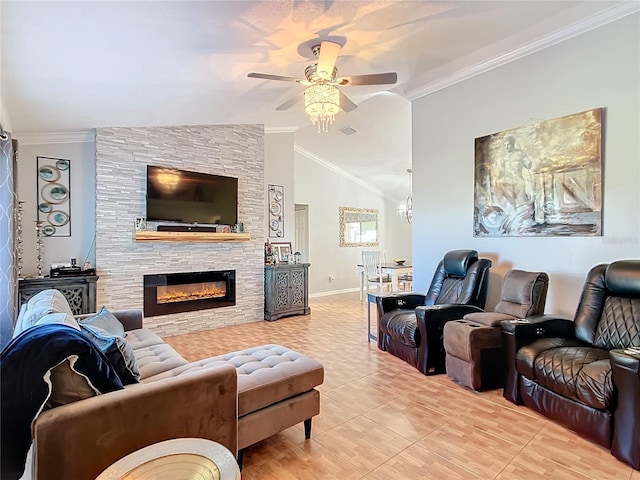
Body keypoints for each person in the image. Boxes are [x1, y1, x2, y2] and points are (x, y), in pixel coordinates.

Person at [496, 135, 533, 208]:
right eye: (505, 145)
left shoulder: (520, 153)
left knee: (522, 202)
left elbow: (528, 166)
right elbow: (502, 170)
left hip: (518, 181)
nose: (506, 147)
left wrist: (528, 162)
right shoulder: (503, 157)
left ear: (512, 144)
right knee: (510, 204)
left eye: (508, 144)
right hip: (507, 182)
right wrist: (497, 179)